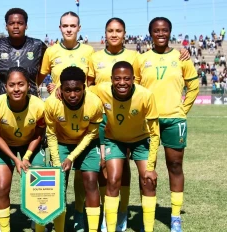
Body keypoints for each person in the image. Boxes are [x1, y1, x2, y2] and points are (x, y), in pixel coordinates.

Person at [134, 17, 200, 232]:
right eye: (156, 30)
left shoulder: (182, 57)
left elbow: (194, 87)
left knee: (175, 166)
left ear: (170, 32)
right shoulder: (141, 59)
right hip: (147, 122)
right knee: (147, 169)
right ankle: (148, 219)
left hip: (174, 120)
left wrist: (183, 110)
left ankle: (175, 217)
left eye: (164, 30)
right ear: (150, 33)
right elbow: (133, 90)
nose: (160, 33)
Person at [39, 11, 96, 232]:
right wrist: (51, 89)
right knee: (57, 177)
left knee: (83, 178)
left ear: (79, 28)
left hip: (81, 119)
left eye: (73, 25)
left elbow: (90, 82)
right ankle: (56, 218)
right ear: (60, 28)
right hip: (58, 120)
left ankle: (80, 214)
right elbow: (40, 79)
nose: (69, 29)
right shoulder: (51, 51)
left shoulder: (89, 51)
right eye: (65, 26)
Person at [95, 61, 159, 232]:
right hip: (114, 140)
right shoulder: (101, 90)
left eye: (126, 79)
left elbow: (155, 134)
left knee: (149, 180)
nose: (122, 83)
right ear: (111, 79)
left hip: (141, 139)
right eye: (117, 79)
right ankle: (110, 224)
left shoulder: (146, 95)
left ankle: (148, 228)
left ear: (133, 79)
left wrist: (151, 166)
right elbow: (80, 91)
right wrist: (57, 90)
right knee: (113, 179)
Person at [0, 67, 47, 232]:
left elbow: (38, 134)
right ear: (5, 87)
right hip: (5, 145)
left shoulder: (38, 106)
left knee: (39, 185)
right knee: (1, 186)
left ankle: (38, 220)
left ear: (28, 85)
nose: (16, 89)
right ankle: (2, 226)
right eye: (12, 85)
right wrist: (15, 159)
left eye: (21, 84)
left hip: (30, 145)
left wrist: (26, 156)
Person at [45, 66, 103, 232]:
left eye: (77, 89)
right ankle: (59, 228)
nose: (72, 95)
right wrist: (57, 163)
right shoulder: (51, 103)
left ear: (84, 88)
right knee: (59, 184)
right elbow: (51, 135)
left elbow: (92, 134)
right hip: (61, 143)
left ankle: (81, 217)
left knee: (91, 182)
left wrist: (72, 157)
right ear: (60, 89)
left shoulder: (95, 103)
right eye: (68, 90)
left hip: (87, 143)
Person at [0, 8, 47, 97]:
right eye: (11, 23)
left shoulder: (38, 45)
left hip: (31, 101)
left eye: (20, 23)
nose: (16, 26)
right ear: (6, 26)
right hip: (3, 101)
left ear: (26, 25)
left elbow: (49, 68)